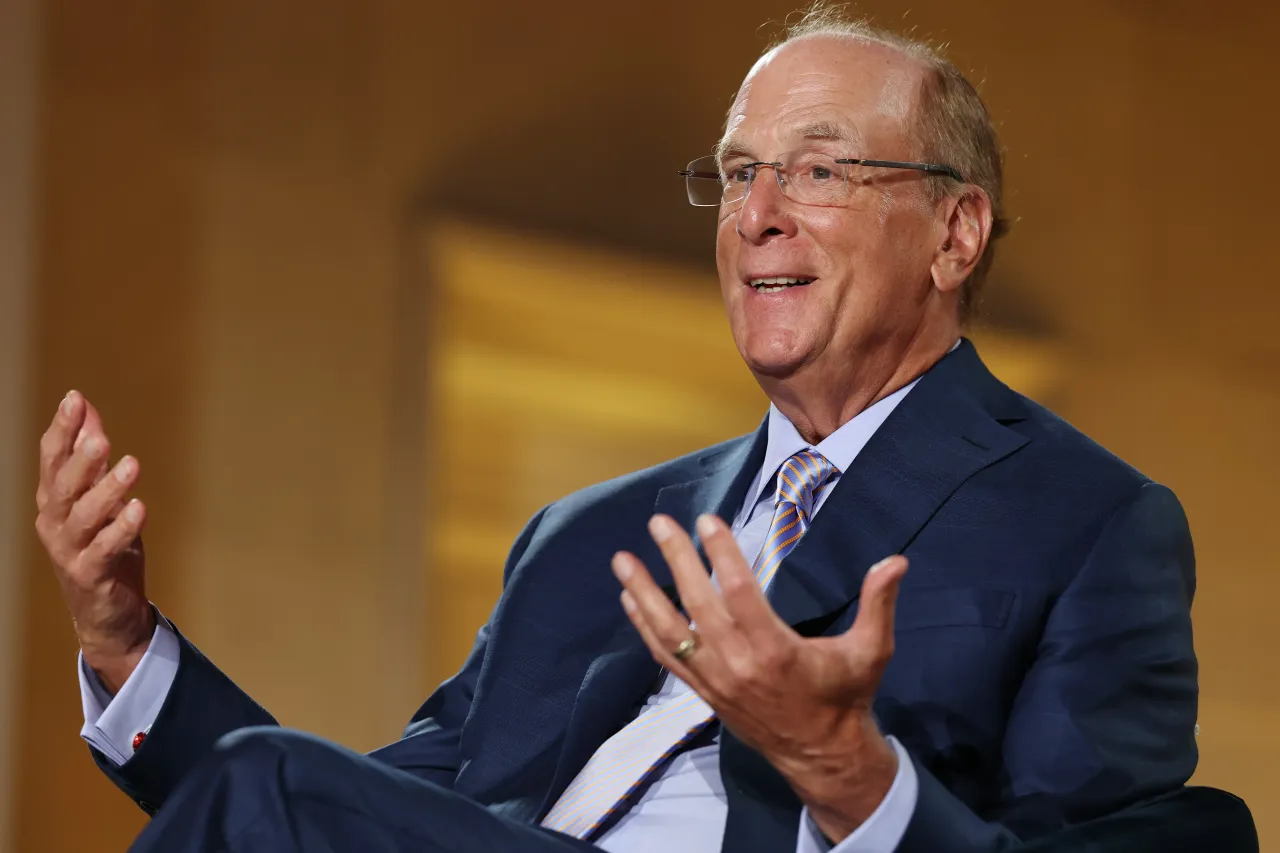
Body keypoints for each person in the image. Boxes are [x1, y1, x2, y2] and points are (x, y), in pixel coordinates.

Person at [34, 8, 1198, 853]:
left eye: (819, 169)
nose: (755, 216)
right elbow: (350, 815)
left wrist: (840, 767)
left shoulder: (1086, 520)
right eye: (738, 173)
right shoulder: (587, 534)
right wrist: (128, 645)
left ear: (954, 233)